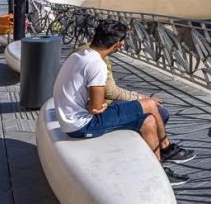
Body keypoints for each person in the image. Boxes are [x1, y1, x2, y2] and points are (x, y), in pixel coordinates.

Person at [53, 20, 193, 186]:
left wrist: (97, 104)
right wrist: (101, 105)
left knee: (148, 121)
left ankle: (158, 171)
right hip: (82, 125)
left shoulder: (79, 55)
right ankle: (166, 148)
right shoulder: (96, 64)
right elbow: (96, 107)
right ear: (117, 44)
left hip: (70, 120)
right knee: (150, 105)